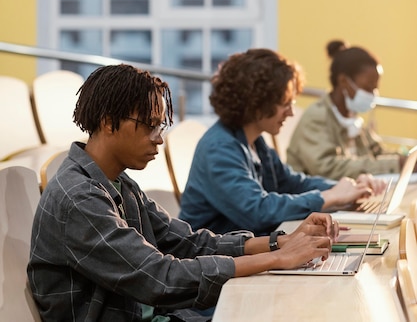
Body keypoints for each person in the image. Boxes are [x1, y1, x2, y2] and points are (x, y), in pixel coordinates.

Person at [27, 63, 338, 322]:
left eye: (160, 127)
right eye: (150, 126)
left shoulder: (119, 183)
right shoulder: (79, 198)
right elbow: (162, 278)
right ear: (109, 123)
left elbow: (190, 243)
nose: (158, 140)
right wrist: (278, 259)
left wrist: (280, 242)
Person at [179, 48, 381, 237]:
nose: (291, 112)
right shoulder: (219, 148)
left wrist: (347, 188)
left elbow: (292, 183)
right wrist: (329, 197)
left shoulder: (255, 143)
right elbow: (258, 211)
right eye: (285, 104)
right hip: (212, 265)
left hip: (242, 253)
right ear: (257, 103)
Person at [286, 39, 409, 179]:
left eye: (375, 89)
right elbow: (328, 168)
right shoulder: (316, 117)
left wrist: (408, 160)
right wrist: (397, 164)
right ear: (343, 81)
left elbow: (377, 153)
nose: (372, 94)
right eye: (367, 88)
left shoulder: (353, 119)